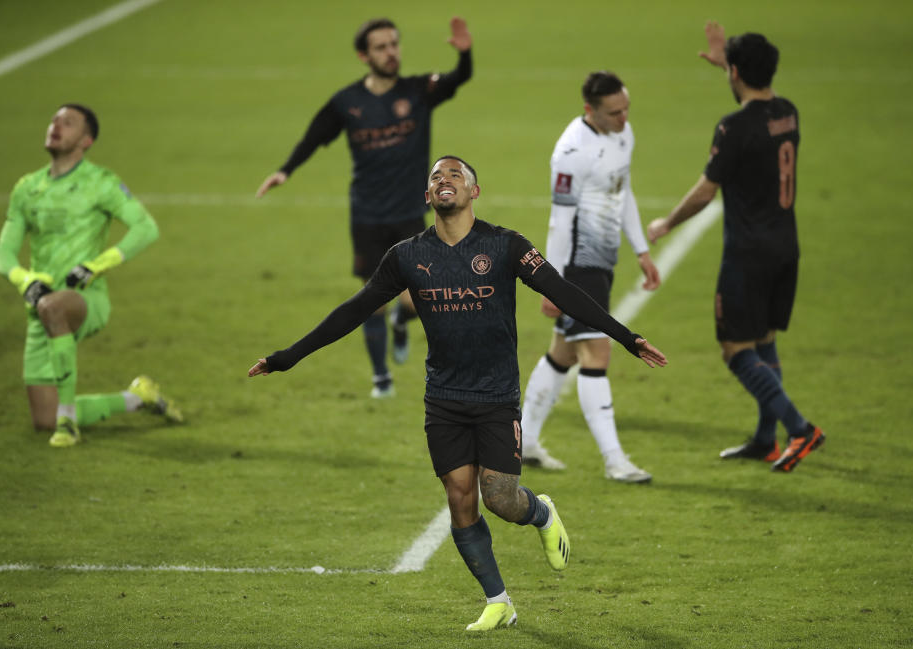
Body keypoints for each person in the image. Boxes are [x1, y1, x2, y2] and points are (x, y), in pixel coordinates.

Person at [249, 156, 667, 630]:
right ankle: (498, 600)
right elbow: (355, 309)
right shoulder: (407, 255)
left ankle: (543, 513)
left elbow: (562, 290)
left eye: (455, 175)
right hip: (443, 398)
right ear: (427, 197)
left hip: (496, 396)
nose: (444, 180)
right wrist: (289, 356)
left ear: (474, 191)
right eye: (435, 177)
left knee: (501, 499)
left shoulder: (505, 245)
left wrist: (625, 337)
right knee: (459, 496)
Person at [255, 17, 474, 399]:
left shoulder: (418, 90)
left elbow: (460, 78)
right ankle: (381, 379)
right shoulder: (348, 102)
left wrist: (465, 53)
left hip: (410, 212)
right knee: (371, 298)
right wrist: (285, 170)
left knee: (416, 298)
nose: (391, 52)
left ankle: (402, 321)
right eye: (381, 47)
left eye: (394, 44)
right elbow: (316, 134)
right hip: (368, 215)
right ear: (364, 55)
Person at [647, 23, 824, 472]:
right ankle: (767, 439)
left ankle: (800, 429)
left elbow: (706, 192)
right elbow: (761, 102)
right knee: (764, 342)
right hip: (787, 246)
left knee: (735, 349)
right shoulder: (789, 112)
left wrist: (667, 222)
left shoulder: (733, 127)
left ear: (736, 72)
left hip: (749, 253)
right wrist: (733, 67)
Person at [0, 104, 182, 448]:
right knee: (42, 420)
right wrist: (25, 280)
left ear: (87, 140)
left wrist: (97, 265)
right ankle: (137, 397)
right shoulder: (27, 188)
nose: (56, 126)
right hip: (40, 306)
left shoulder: (101, 183)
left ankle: (68, 423)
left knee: (53, 308)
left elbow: (146, 228)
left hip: (87, 298)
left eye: (68, 123)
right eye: (53, 120)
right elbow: (3, 255)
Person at [520, 71, 661, 483]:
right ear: (590, 110)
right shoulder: (570, 153)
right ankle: (615, 459)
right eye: (614, 113)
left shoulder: (623, 134)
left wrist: (641, 250)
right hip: (577, 265)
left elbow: (623, 190)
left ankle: (525, 441)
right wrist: (552, 281)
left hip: (603, 262)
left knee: (563, 352)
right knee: (597, 354)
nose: (623, 118)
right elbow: (560, 223)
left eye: (626, 109)